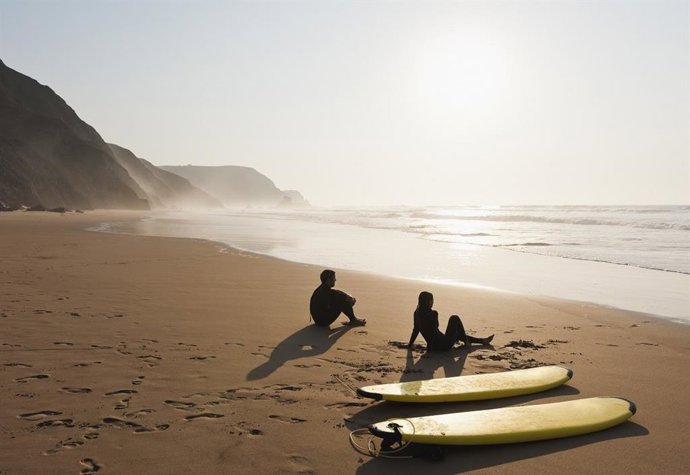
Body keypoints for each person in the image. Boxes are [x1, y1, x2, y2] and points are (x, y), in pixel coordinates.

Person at [408, 291, 493, 351]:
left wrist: (410, 345)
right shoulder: (433, 313)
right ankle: (467, 342)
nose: (432, 302)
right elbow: (433, 332)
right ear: (428, 302)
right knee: (454, 318)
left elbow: (416, 330)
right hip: (443, 345)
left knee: (458, 334)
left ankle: (482, 340)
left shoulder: (416, 313)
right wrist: (429, 351)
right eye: (431, 300)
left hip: (435, 345)